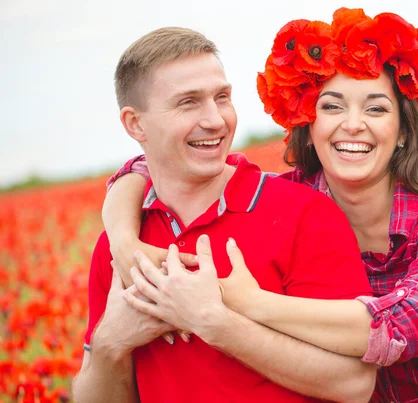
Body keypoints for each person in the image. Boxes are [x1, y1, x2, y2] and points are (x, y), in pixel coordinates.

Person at [105, 8, 418, 403]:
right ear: (308, 123)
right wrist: (125, 242)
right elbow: (153, 166)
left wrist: (241, 304)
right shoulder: (294, 202)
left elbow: (399, 332)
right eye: (332, 106)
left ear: (404, 130)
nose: (353, 124)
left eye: (376, 108)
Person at [71, 26, 378, 403]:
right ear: (135, 124)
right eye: (188, 103)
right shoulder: (121, 245)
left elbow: (356, 385)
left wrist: (216, 324)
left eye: (222, 97)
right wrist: (108, 344)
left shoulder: (302, 213)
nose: (215, 120)